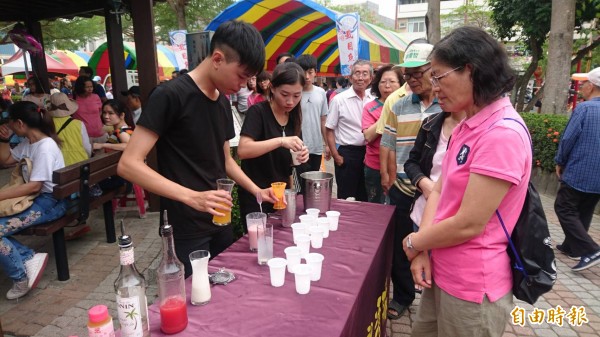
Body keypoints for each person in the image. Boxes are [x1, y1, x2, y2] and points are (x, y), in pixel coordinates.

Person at [117, 20, 276, 278]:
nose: (243, 85)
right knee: (196, 302)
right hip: (185, 225)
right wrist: (192, 197)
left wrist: (257, 190)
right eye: (241, 75)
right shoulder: (170, 95)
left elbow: (225, 160)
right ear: (217, 58)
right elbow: (129, 164)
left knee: (226, 291)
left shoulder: (223, 104)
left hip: (219, 219)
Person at [402, 26, 530, 337]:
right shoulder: (466, 125)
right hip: (442, 270)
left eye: (438, 76)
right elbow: (439, 191)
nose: (434, 87)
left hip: (473, 286)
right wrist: (423, 251)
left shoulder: (502, 133)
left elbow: (469, 224)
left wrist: (413, 242)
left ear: (469, 71)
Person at [380, 42, 441, 320]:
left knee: (437, 248)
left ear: (435, 70)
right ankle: (404, 296)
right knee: (402, 246)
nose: (413, 79)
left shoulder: (449, 103)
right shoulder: (399, 104)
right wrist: (388, 177)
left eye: (419, 73)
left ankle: (438, 299)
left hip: (437, 194)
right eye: (408, 74)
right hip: (404, 189)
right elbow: (389, 143)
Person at [0, 101, 67, 300]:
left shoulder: (45, 147)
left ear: (20, 123)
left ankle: (20, 277)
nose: (9, 126)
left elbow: (35, 186)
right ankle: (28, 257)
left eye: (10, 123)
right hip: (37, 200)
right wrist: (4, 139)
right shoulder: (29, 143)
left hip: (50, 203)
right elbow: (5, 160)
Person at [237, 62, 309, 220]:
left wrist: (301, 155)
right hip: (255, 193)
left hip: (280, 194)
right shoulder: (258, 112)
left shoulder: (294, 116)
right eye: (285, 94)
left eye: (297, 95)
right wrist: (281, 141)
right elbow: (243, 150)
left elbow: (289, 162)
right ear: (272, 88)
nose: (290, 101)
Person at [554, 67, 600, 271]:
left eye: (583, 84)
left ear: (592, 86)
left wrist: (560, 161)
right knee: (585, 208)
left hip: (580, 170)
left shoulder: (584, 109)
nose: (581, 87)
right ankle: (571, 247)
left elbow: (568, 139)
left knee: (563, 207)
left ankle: (590, 250)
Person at [405, 110, 465, 233]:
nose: (438, 90)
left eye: (448, 88)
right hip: (421, 216)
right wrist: (423, 182)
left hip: (451, 226)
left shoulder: (483, 131)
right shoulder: (430, 123)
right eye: (435, 88)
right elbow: (411, 162)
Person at [325, 60, 374, 201]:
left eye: (365, 74)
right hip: (347, 154)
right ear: (350, 77)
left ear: (370, 78)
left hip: (369, 153)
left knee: (366, 195)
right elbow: (329, 129)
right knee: (346, 197)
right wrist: (336, 155)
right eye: (357, 73)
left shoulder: (374, 99)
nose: (360, 77)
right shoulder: (339, 100)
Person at [361, 64, 403, 204]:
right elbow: (368, 136)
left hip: (401, 165)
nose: (387, 86)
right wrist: (387, 112)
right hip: (374, 165)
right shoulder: (370, 107)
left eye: (392, 82)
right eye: (383, 82)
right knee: (375, 204)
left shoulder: (407, 106)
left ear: (401, 84)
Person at [294, 54, 329, 172]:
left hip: (316, 146)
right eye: (304, 72)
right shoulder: (293, 93)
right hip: (299, 146)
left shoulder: (321, 93)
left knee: (313, 181)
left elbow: (323, 119)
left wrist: (328, 145)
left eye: (310, 72)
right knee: (300, 182)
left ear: (316, 72)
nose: (307, 76)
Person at [48, 92, 91, 166]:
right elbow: (87, 147)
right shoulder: (79, 124)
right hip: (80, 162)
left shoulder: (47, 124)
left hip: (59, 166)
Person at [73, 76, 107, 144]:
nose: (90, 89)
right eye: (87, 87)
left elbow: (101, 112)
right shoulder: (73, 100)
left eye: (91, 86)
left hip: (100, 134)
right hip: (83, 137)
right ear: (80, 87)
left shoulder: (96, 97)